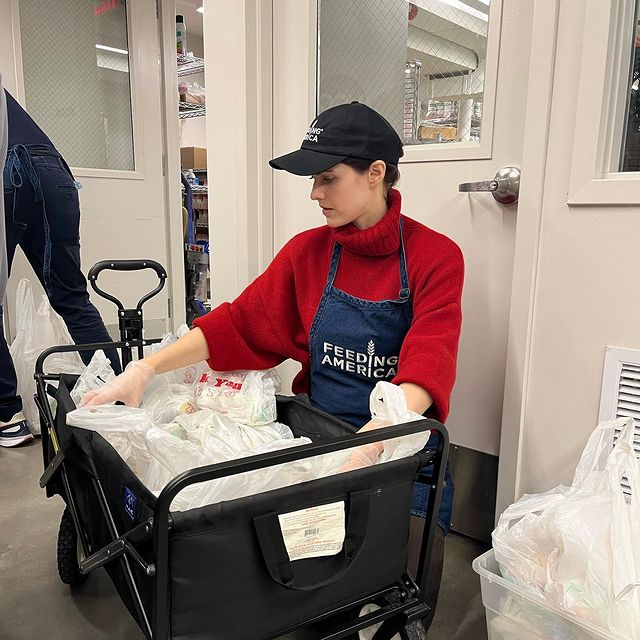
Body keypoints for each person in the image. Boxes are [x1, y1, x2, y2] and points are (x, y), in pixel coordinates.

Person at [82, 101, 464, 628]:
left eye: (328, 178)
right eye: (313, 179)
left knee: (403, 590)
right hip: (317, 445)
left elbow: (430, 361)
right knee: (318, 598)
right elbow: (238, 324)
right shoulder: (307, 254)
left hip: (402, 456)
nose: (314, 193)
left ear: (376, 174)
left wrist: (373, 442)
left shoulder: (436, 257)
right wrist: (145, 369)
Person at [0, 84, 120, 447]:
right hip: (55, 173)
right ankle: (118, 391)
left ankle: (8, 415)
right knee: (72, 297)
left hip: (8, 172)